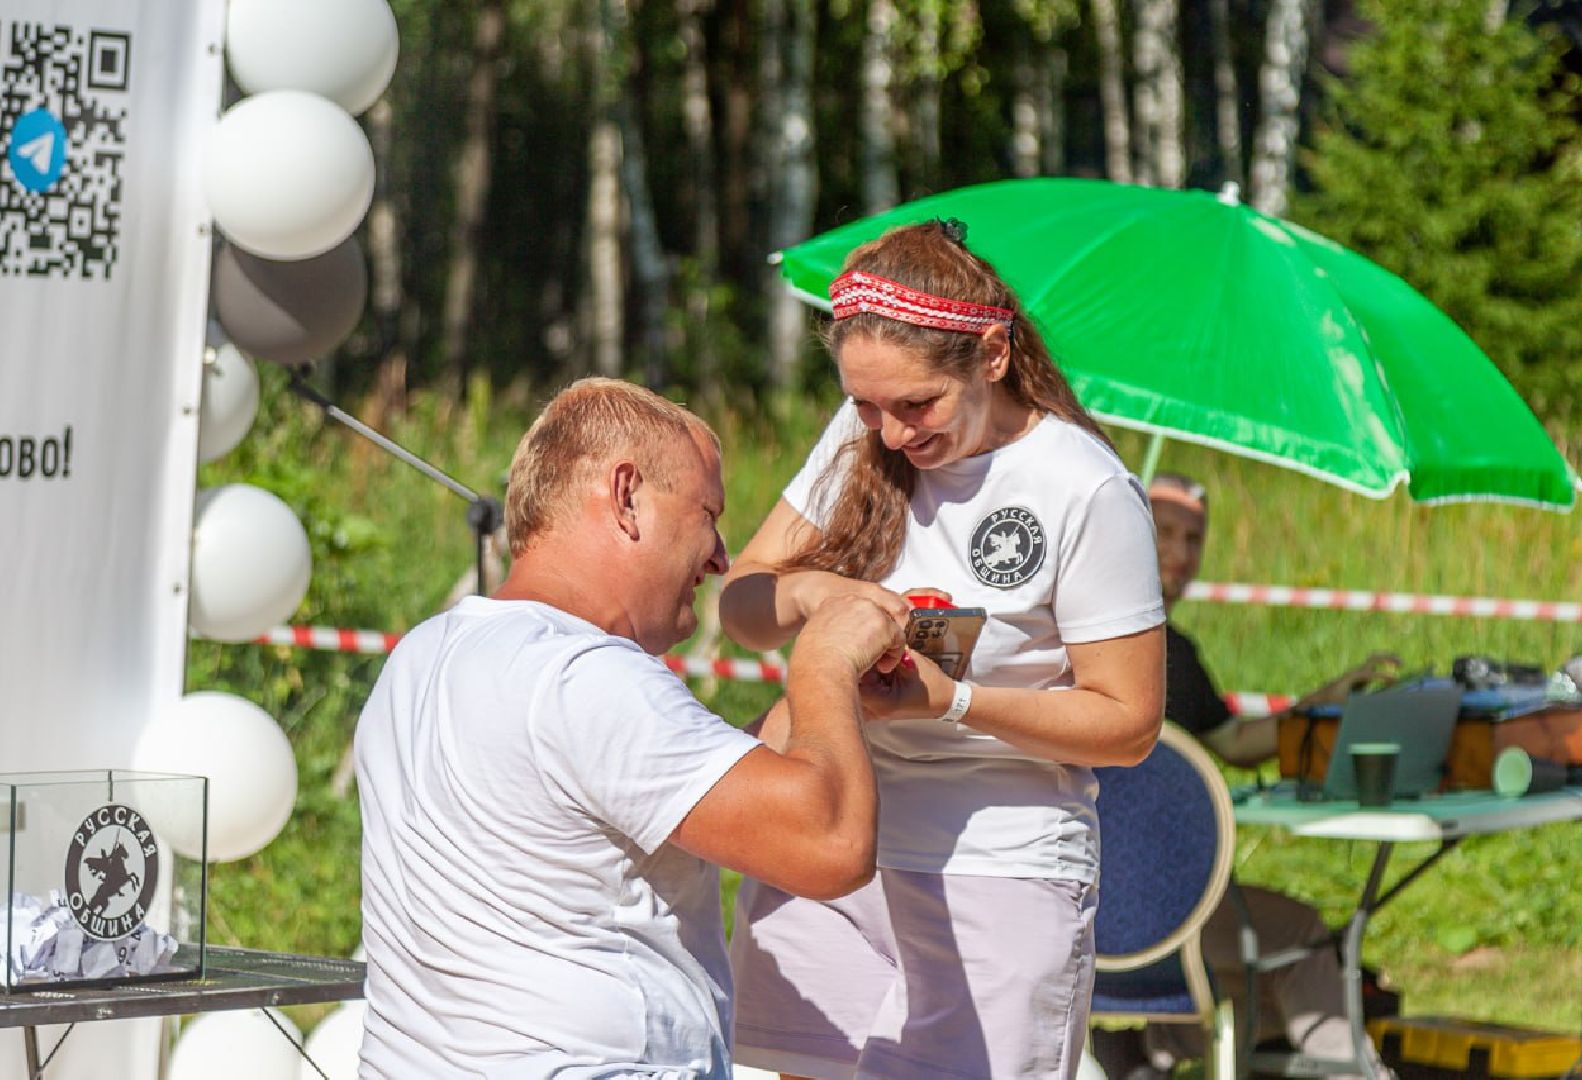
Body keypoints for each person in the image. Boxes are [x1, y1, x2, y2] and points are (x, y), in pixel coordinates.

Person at [354, 377, 908, 1079]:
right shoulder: (583, 674)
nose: (719, 557)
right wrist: (823, 661)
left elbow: (675, 790)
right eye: (708, 513)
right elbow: (830, 846)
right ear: (625, 497)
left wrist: (829, 713)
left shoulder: (428, 654)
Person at [718, 220, 1167, 1080]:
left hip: (996, 868)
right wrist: (817, 593)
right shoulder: (860, 442)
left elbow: (1128, 724)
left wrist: (951, 701)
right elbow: (744, 600)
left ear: (991, 356)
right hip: (829, 845)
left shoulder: (1086, 488)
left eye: (916, 405)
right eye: (863, 405)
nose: (889, 435)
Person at [1114, 471, 1399, 1080]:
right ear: (1125, 534)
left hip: (1081, 912)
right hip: (1160, 911)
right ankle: (1349, 1069)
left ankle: (1143, 1051)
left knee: (1260, 975)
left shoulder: (1158, 651)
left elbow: (1237, 744)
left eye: (1194, 539)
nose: (1180, 553)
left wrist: (1324, 699)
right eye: (1162, 533)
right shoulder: (1150, 646)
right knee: (1303, 936)